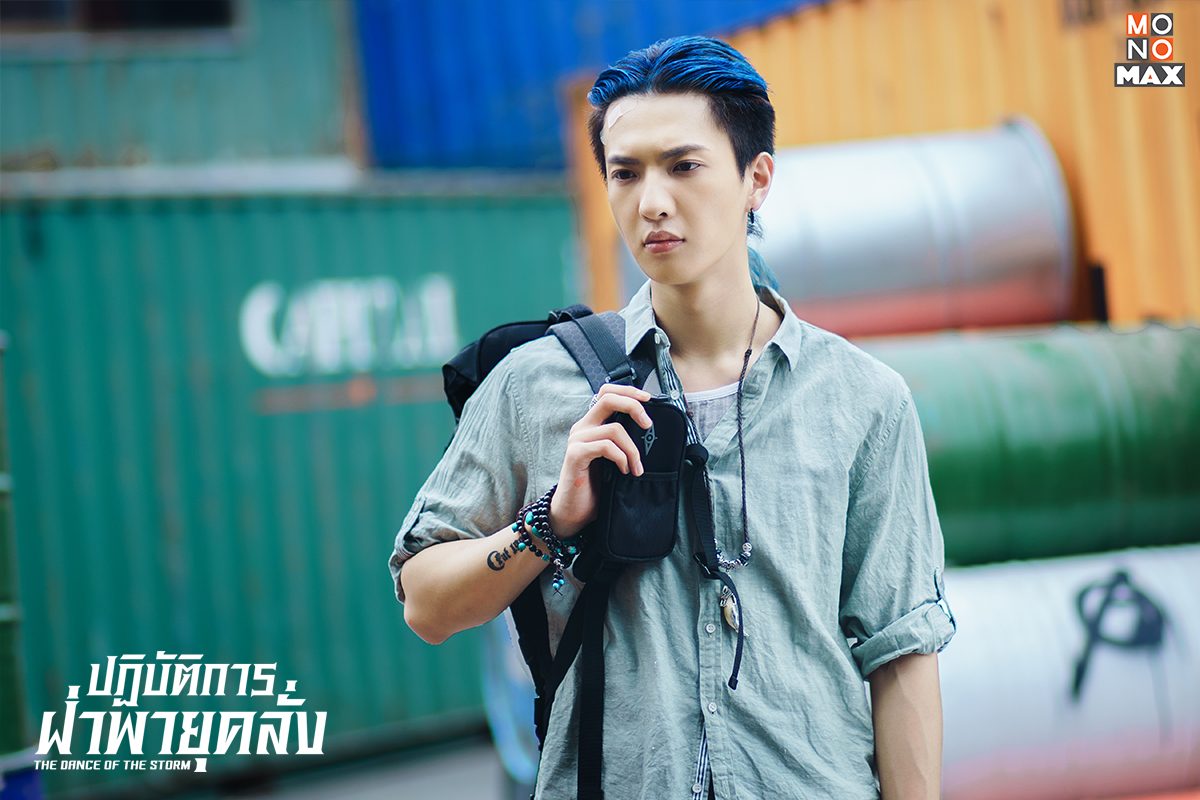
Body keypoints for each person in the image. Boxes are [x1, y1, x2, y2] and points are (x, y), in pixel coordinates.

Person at [390, 35, 956, 800]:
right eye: (625, 173)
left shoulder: (863, 399)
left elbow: (902, 650)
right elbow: (424, 604)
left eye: (684, 166)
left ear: (756, 179)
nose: (651, 201)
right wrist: (550, 522)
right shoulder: (537, 384)